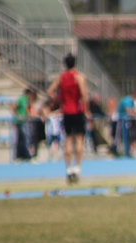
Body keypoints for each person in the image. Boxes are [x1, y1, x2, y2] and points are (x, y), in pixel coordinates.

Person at [47, 53, 90, 183]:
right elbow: (84, 94)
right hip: (77, 111)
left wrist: (59, 101)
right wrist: (87, 110)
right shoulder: (79, 77)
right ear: (75, 63)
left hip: (66, 111)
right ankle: (77, 167)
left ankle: (68, 168)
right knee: (79, 140)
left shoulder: (61, 77)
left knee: (68, 140)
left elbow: (49, 91)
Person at [11, 88, 35, 162]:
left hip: (25, 121)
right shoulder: (21, 99)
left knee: (22, 138)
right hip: (20, 122)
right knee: (24, 138)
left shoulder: (27, 101)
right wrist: (17, 116)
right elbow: (13, 107)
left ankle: (20, 155)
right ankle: (25, 155)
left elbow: (27, 110)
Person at [116, 89, 136, 158]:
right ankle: (119, 151)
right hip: (121, 121)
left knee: (130, 136)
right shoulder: (127, 100)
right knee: (120, 136)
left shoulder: (132, 101)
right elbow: (128, 111)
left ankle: (128, 151)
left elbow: (133, 110)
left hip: (128, 121)